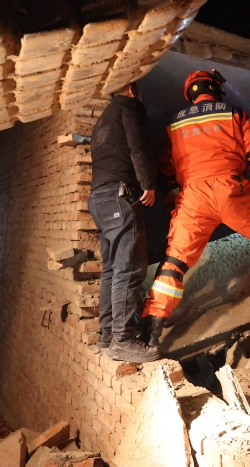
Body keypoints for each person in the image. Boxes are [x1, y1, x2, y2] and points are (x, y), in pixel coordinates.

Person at [141, 70, 250, 348]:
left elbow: (167, 173)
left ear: (191, 94)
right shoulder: (234, 113)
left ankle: (151, 331)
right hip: (232, 189)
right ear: (216, 89)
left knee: (175, 264)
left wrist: (177, 204)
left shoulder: (173, 125)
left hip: (193, 197)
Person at [87, 81, 159, 363]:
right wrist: (148, 184)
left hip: (98, 199)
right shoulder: (129, 107)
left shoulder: (103, 118)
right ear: (130, 88)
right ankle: (123, 340)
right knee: (129, 269)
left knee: (112, 269)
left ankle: (107, 335)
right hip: (120, 196)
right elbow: (138, 147)